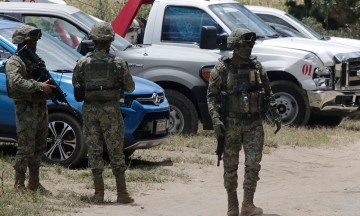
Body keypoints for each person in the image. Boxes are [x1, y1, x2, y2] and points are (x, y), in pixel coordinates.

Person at [207, 28, 281, 216]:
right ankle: (232, 205)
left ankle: (248, 204)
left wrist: (275, 113)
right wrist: (216, 120)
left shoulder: (257, 67)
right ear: (235, 46)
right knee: (230, 165)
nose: (248, 48)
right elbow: (211, 96)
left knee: (253, 163)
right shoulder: (223, 69)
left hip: (254, 123)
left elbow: (268, 91)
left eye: (251, 44)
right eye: (244, 44)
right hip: (231, 124)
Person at [72, 21, 135, 204]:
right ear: (110, 41)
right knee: (116, 151)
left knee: (94, 151)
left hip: (90, 111)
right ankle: (122, 193)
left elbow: (77, 84)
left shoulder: (82, 63)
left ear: (93, 40)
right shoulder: (118, 63)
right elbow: (130, 87)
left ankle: (98, 193)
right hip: (111, 111)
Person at [5, 25, 55, 193]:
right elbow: (16, 82)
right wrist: (39, 86)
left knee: (39, 147)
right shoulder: (14, 62)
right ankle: (19, 185)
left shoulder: (35, 60)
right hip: (26, 109)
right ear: (22, 42)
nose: (34, 43)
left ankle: (34, 184)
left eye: (35, 40)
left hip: (40, 108)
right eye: (30, 41)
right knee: (25, 148)